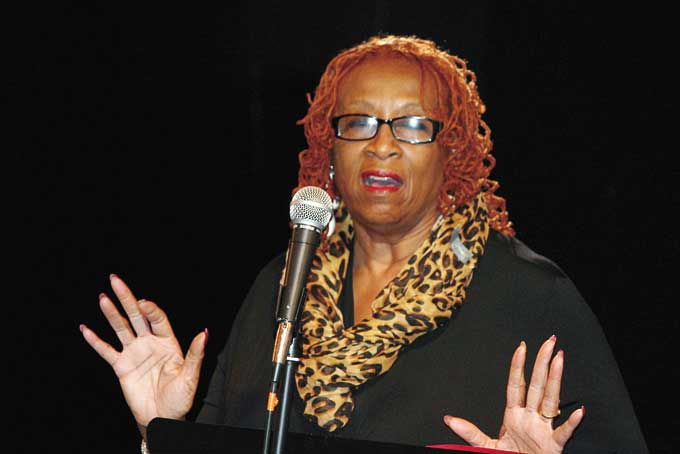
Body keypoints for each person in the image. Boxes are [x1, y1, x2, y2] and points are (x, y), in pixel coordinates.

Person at [80, 35, 648, 453]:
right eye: (358, 123)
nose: (382, 145)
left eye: (413, 125)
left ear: (451, 151)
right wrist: (161, 430)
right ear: (329, 150)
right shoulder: (283, 287)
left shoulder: (531, 297)